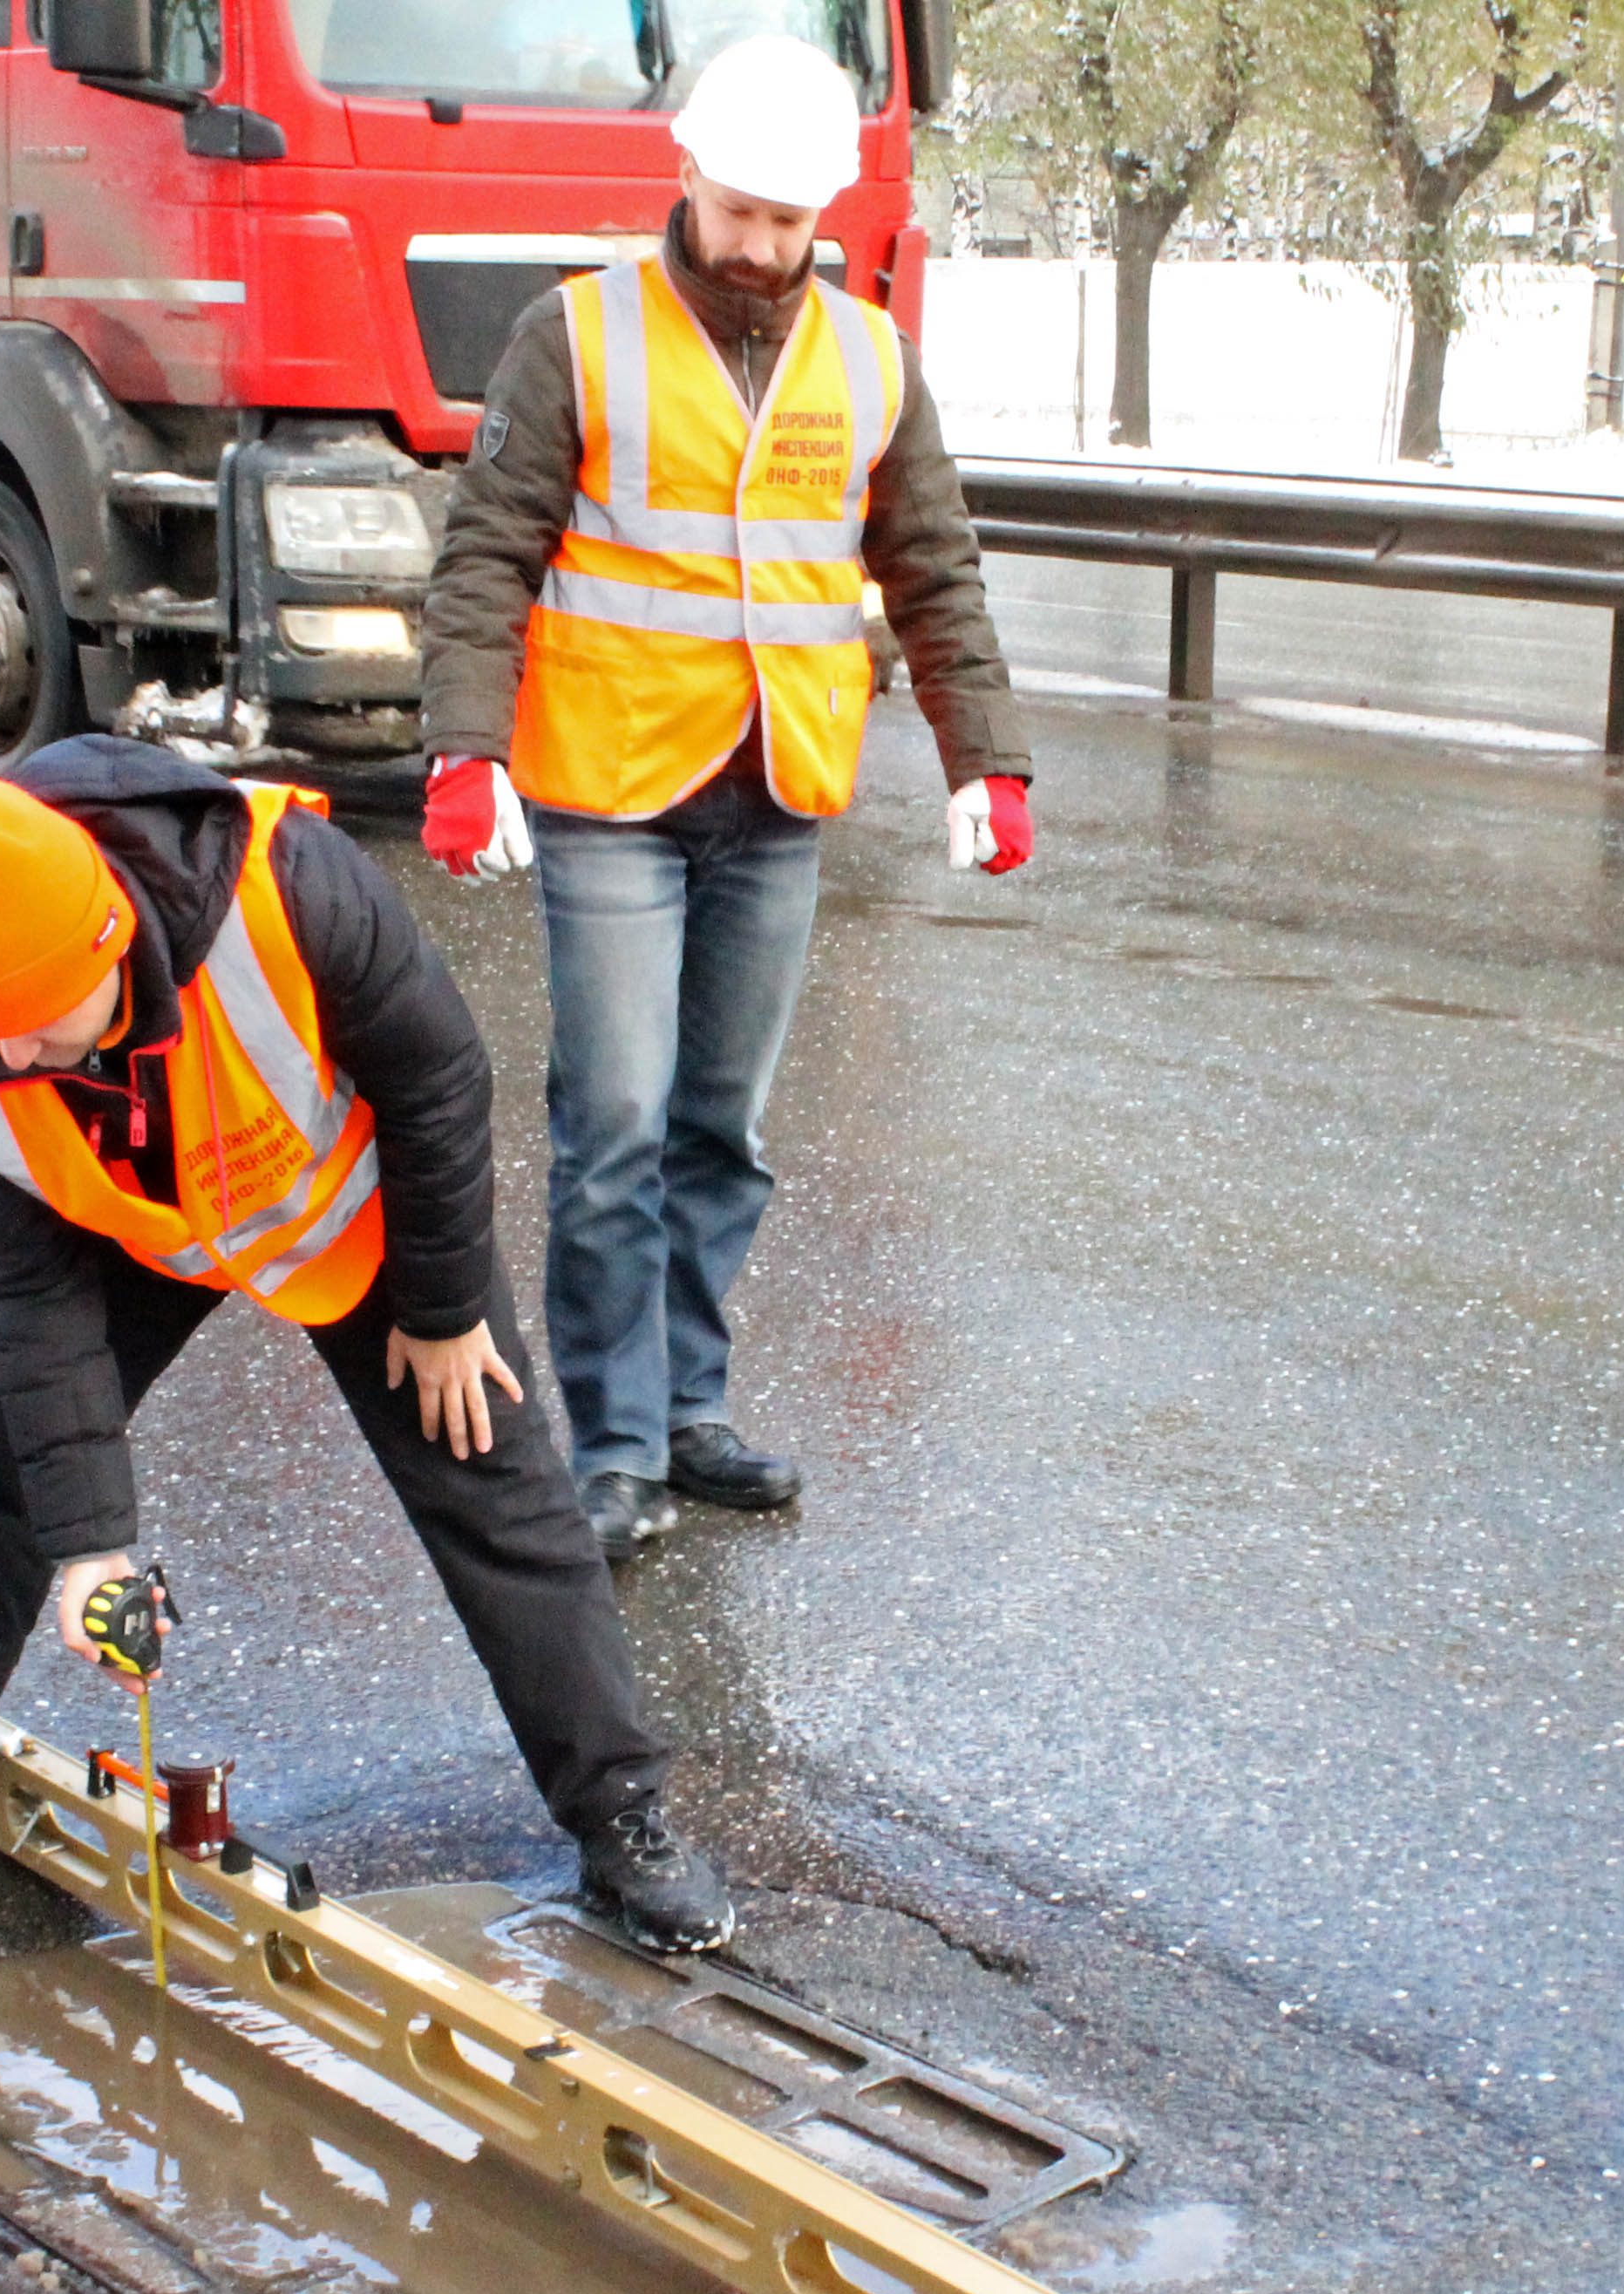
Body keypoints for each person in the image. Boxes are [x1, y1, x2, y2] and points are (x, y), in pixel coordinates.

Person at [0, 738, 735, 1959]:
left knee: (493, 1476)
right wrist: (90, 1547)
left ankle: (623, 1820)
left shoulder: (295, 889)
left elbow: (439, 1085)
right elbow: (32, 1301)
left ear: (109, 941)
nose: (3, 1059)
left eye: (25, 1026)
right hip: (135, 1222)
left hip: (358, 1209)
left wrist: (440, 1313)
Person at [416, 33, 1036, 1561]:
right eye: (741, 208)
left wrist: (987, 756)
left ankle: (690, 1408)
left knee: (724, 1126)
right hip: (616, 783)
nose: (763, 244)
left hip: (778, 783)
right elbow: (489, 550)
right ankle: (614, 1444)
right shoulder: (578, 338)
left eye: (791, 218)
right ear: (683, 174)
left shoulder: (872, 357)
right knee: (613, 1120)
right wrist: (462, 749)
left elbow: (932, 567)